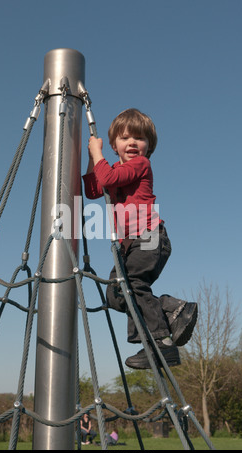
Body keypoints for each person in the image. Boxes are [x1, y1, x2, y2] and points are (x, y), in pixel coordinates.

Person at [82, 108, 197, 369]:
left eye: (139, 138)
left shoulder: (140, 165)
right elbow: (92, 190)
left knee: (133, 283)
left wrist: (98, 154)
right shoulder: (110, 168)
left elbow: (108, 177)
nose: (132, 143)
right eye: (124, 138)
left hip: (150, 236)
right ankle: (171, 308)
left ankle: (161, 344)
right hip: (129, 245)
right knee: (116, 295)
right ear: (114, 145)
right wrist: (92, 156)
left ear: (149, 145)